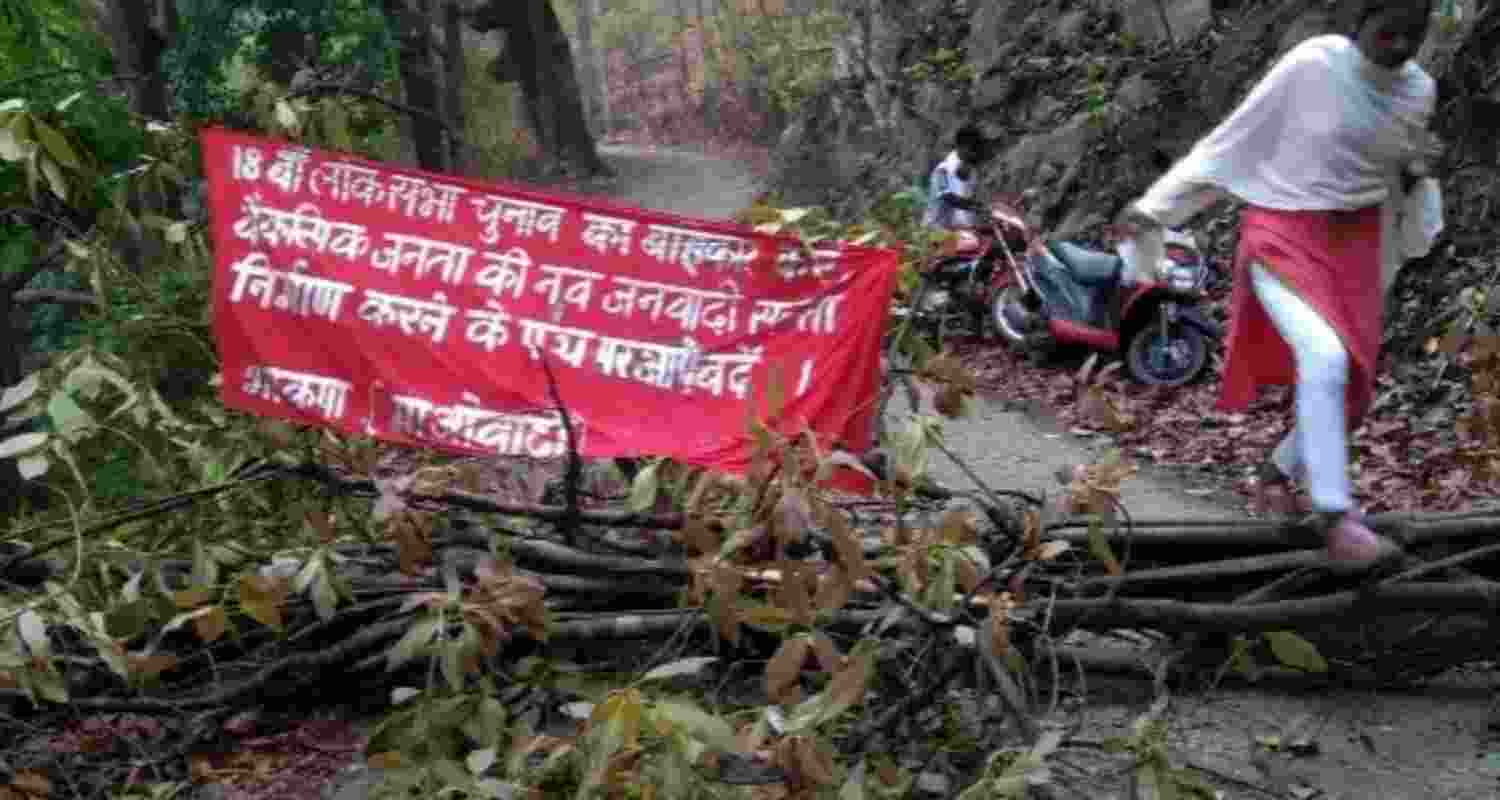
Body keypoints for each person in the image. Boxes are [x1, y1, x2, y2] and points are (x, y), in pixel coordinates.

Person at [1114, 0, 1443, 566]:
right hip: (1283, 233)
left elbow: (1398, 170)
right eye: (1389, 32)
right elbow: (1232, 140)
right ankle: (1336, 520)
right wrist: (1158, 207)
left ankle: (1278, 470)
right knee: (1325, 359)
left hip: (1357, 246)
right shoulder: (1311, 65)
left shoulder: (1419, 91)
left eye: (1414, 36)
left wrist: (1417, 178)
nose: (1399, 47)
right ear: (1359, 20)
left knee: (1352, 389)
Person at [923, 124, 988, 230]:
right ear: (963, 147)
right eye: (974, 149)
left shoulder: (972, 173)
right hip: (934, 231)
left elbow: (967, 213)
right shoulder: (942, 170)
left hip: (957, 232)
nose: (977, 154)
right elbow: (948, 197)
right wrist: (975, 206)